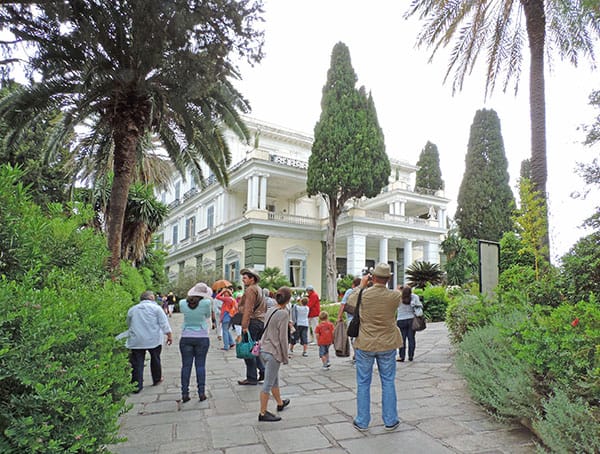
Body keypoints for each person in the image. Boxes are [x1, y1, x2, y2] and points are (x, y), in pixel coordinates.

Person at [347, 263, 403, 432]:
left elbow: (349, 303)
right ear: (389, 278)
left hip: (366, 343)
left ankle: (363, 420)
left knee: (363, 382)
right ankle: (390, 420)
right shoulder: (394, 296)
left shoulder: (363, 295)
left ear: (373, 277)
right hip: (387, 343)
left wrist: (362, 286)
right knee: (388, 381)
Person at [126, 291, 172, 393]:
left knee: (137, 362)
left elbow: (128, 323)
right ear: (151, 297)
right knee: (155, 358)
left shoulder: (133, 309)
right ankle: (157, 379)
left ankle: (137, 385)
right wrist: (169, 335)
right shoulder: (156, 309)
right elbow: (164, 323)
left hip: (137, 339)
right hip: (153, 338)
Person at [258, 286, 292, 422]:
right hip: (273, 351)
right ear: (288, 299)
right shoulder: (283, 313)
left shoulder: (270, 310)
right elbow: (283, 337)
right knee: (267, 383)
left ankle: (279, 403)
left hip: (263, 349)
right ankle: (262, 412)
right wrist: (285, 355)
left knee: (273, 379)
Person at [179, 283, 213, 402]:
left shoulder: (182, 303)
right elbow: (208, 315)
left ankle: (184, 393)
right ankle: (201, 392)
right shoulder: (206, 303)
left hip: (186, 336)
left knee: (186, 366)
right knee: (200, 365)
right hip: (202, 336)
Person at [237, 267, 266, 385]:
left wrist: (244, 326)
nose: (243, 280)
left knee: (248, 350)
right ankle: (263, 370)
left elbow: (248, 309)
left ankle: (251, 377)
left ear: (252, 279)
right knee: (255, 349)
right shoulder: (259, 289)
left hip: (252, 322)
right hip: (260, 322)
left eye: (245, 278)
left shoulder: (250, 290)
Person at [337, 277, 361, 363]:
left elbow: (343, 304)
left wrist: (339, 317)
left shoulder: (350, 291)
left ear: (353, 284)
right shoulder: (365, 291)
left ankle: (356, 355)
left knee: (353, 336)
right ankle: (358, 355)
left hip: (351, 317)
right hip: (362, 317)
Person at [396, 286, 423, 362]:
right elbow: (419, 305)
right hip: (411, 320)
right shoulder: (414, 297)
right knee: (411, 338)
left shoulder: (399, 297)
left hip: (401, 320)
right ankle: (411, 356)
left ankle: (402, 356)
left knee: (402, 339)